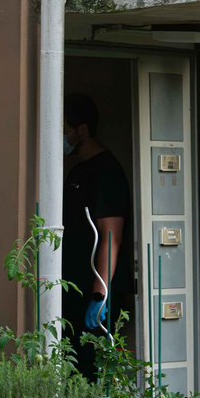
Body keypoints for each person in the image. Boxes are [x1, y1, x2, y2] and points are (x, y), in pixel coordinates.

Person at [62, 93, 133, 379]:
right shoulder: (78, 171)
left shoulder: (107, 172)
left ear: (82, 130)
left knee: (91, 369)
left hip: (94, 292)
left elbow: (111, 237)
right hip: (73, 286)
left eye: (64, 127)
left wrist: (99, 294)